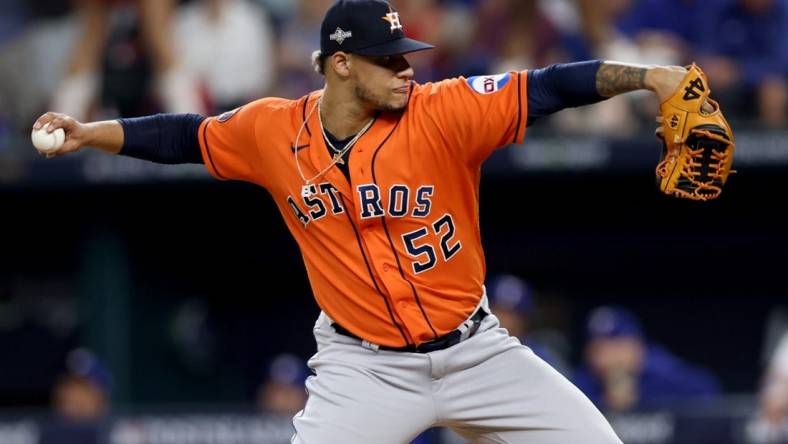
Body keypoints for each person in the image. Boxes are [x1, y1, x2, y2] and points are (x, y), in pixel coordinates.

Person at [32, 1, 700, 441]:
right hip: (365, 369)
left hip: (477, 353)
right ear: (341, 65)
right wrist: (91, 132)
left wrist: (651, 77)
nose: (407, 67)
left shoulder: (443, 109)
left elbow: (551, 84)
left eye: (406, 52)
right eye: (389, 57)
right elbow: (184, 136)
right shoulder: (272, 130)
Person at [573, 306, 721, 413]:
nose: (608, 358)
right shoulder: (582, 382)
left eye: (617, 346)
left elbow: (709, 394)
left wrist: (642, 404)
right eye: (599, 349)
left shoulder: (663, 371)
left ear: (637, 345)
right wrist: (606, 405)